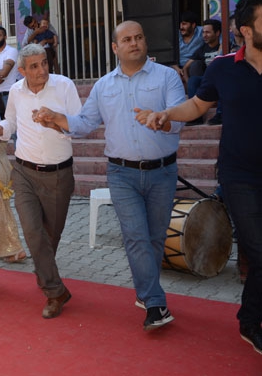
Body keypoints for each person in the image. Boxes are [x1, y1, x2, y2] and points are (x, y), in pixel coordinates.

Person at [35, 21, 185, 331]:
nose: (134, 43)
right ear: (116, 48)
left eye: (139, 37)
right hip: (121, 173)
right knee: (136, 236)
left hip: (163, 172)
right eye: (127, 39)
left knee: (155, 238)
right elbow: (84, 123)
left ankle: (146, 292)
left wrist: (162, 119)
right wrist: (57, 119)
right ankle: (155, 303)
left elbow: (180, 118)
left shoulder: (167, 77)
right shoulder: (103, 86)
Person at [142, 0, 262, 354]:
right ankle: (251, 321)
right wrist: (167, 114)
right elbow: (197, 104)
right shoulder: (223, 67)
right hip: (239, 176)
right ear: (247, 30)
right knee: (258, 248)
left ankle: (250, 315)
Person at [0, 44, 81, 318]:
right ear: (22, 71)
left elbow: (80, 125)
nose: (42, 70)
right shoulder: (16, 92)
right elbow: (10, 123)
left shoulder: (64, 86)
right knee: (33, 232)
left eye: (44, 63)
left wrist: (56, 121)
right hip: (23, 172)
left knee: (49, 236)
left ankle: (45, 272)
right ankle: (55, 291)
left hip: (59, 174)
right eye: (34, 66)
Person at [184, 19, 222, 126]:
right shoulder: (202, 49)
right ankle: (196, 116)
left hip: (221, 79)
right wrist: (188, 82)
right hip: (207, 81)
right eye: (203, 32)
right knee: (193, 80)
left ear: (217, 33)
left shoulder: (225, 45)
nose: (204, 35)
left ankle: (220, 114)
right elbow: (186, 67)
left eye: (208, 32)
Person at [172, 11, 203, 85]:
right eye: (180, 24)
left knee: (196, 65)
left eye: (184, 24)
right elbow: (168, 55)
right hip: (177, 66)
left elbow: (220, 38)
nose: (181, 27)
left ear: (193, 25)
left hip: (193, 65)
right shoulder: (175, 35)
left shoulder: (201, 32)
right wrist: (176, 68)